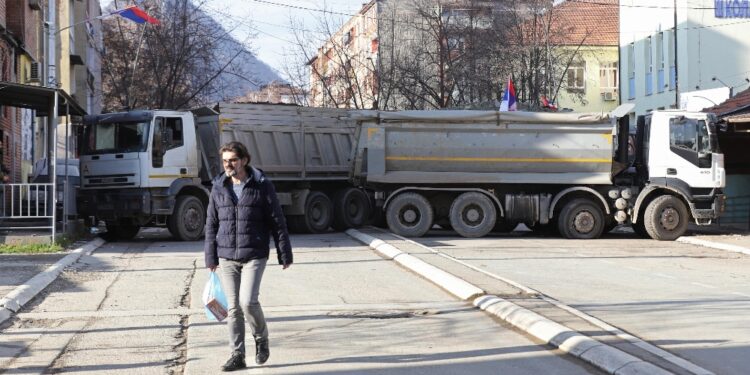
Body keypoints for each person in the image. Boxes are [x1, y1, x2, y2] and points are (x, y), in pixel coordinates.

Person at [204, 141, 293, 372]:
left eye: (232, 160)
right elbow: (211, 223)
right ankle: (237, 354)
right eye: (225, 161)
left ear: (244, 160)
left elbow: (277, 221)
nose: (228, 165)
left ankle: (261, 338)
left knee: (248, 302)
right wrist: (210, 256)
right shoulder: (218, 187)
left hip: (254, 253)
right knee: (233, 307)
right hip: (226, 256)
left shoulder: (262, 186)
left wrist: (284, 253)